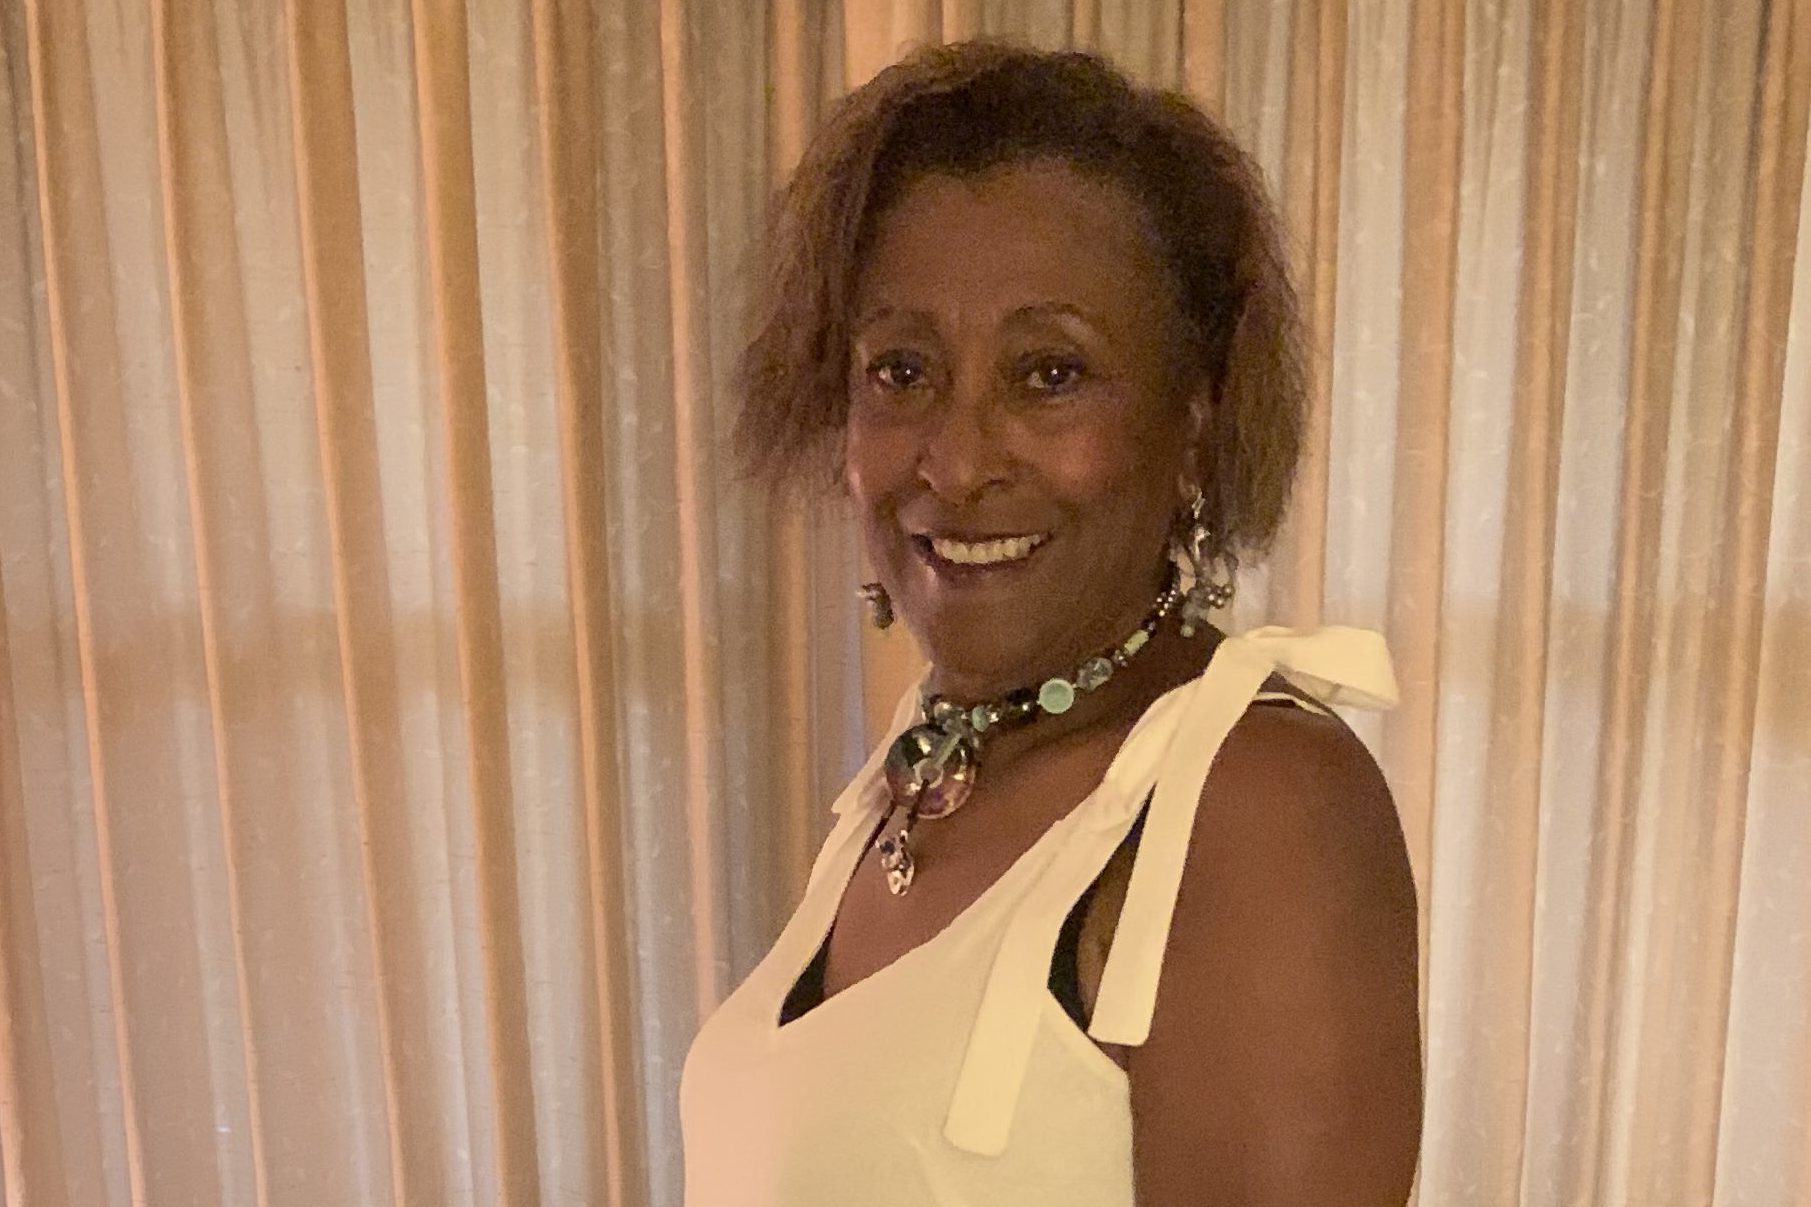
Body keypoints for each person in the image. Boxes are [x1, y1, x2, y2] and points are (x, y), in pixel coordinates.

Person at [681, 40, 1422, 1206]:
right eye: (902, 370)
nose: (959, 460)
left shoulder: (1252, 801)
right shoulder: (923, 761)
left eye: (1048, 375)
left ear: (1192, 417)